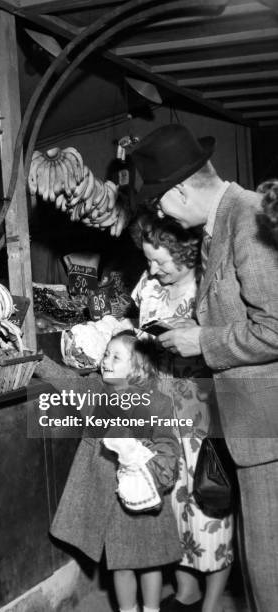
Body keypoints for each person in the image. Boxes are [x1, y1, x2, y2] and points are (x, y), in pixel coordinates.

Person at [131, 124, 278, 612]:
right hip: (250, 427)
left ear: (176, 192)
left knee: (269, 567)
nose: (161, 215)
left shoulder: (249, 217)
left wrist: (203, 340)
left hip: (267, 431)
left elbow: (275, 327)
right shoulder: (224, 220)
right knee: (260, 564)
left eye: (160, 204)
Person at [130, 214, 233, 612]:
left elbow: (230, 342)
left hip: (203, 410)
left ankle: (210, 603)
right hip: (161, 408)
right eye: (148, 261)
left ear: (186, 252)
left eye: (161, 262)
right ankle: (186, 590)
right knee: (173, 504)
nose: (153, 270)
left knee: (210, 502)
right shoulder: (149, 285)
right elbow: (136, 328)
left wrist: (191, 334)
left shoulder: (210, 287)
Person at [38, 331, 182, 612]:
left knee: (150, 562)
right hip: (112, 501)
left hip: (147, 493)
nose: (106, 361)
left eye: (116, 357)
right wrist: (37, 360)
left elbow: (168, 445)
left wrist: (157, 469)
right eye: (106, 354)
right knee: (121, 563)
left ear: (138, 367)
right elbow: (67, 381)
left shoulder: (157, 403)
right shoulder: (94, 393)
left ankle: (151, 609)